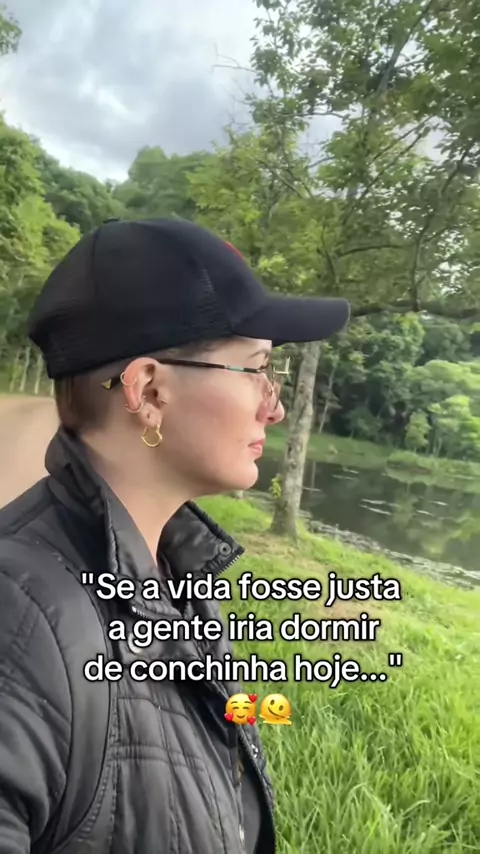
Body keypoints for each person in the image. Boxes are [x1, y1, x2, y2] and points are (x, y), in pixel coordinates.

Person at [0, 217, 350, 854]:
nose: (273, 407)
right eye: (256, 369)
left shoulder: (173, 572)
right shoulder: (16, 623)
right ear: (149, 391)